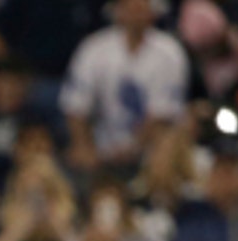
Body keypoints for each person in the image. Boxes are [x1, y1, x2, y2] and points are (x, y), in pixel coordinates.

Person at [59, 0, 190, 174]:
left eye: (141, 8)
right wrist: (84, 146)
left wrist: (131, 149)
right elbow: (75, 106)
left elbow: (163, 116)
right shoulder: (94, 48)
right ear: (117, 11)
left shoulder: (170, 52)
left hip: (150, 151)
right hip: (99, 149)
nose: (135, 14)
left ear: (153, 13)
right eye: (129, 8)